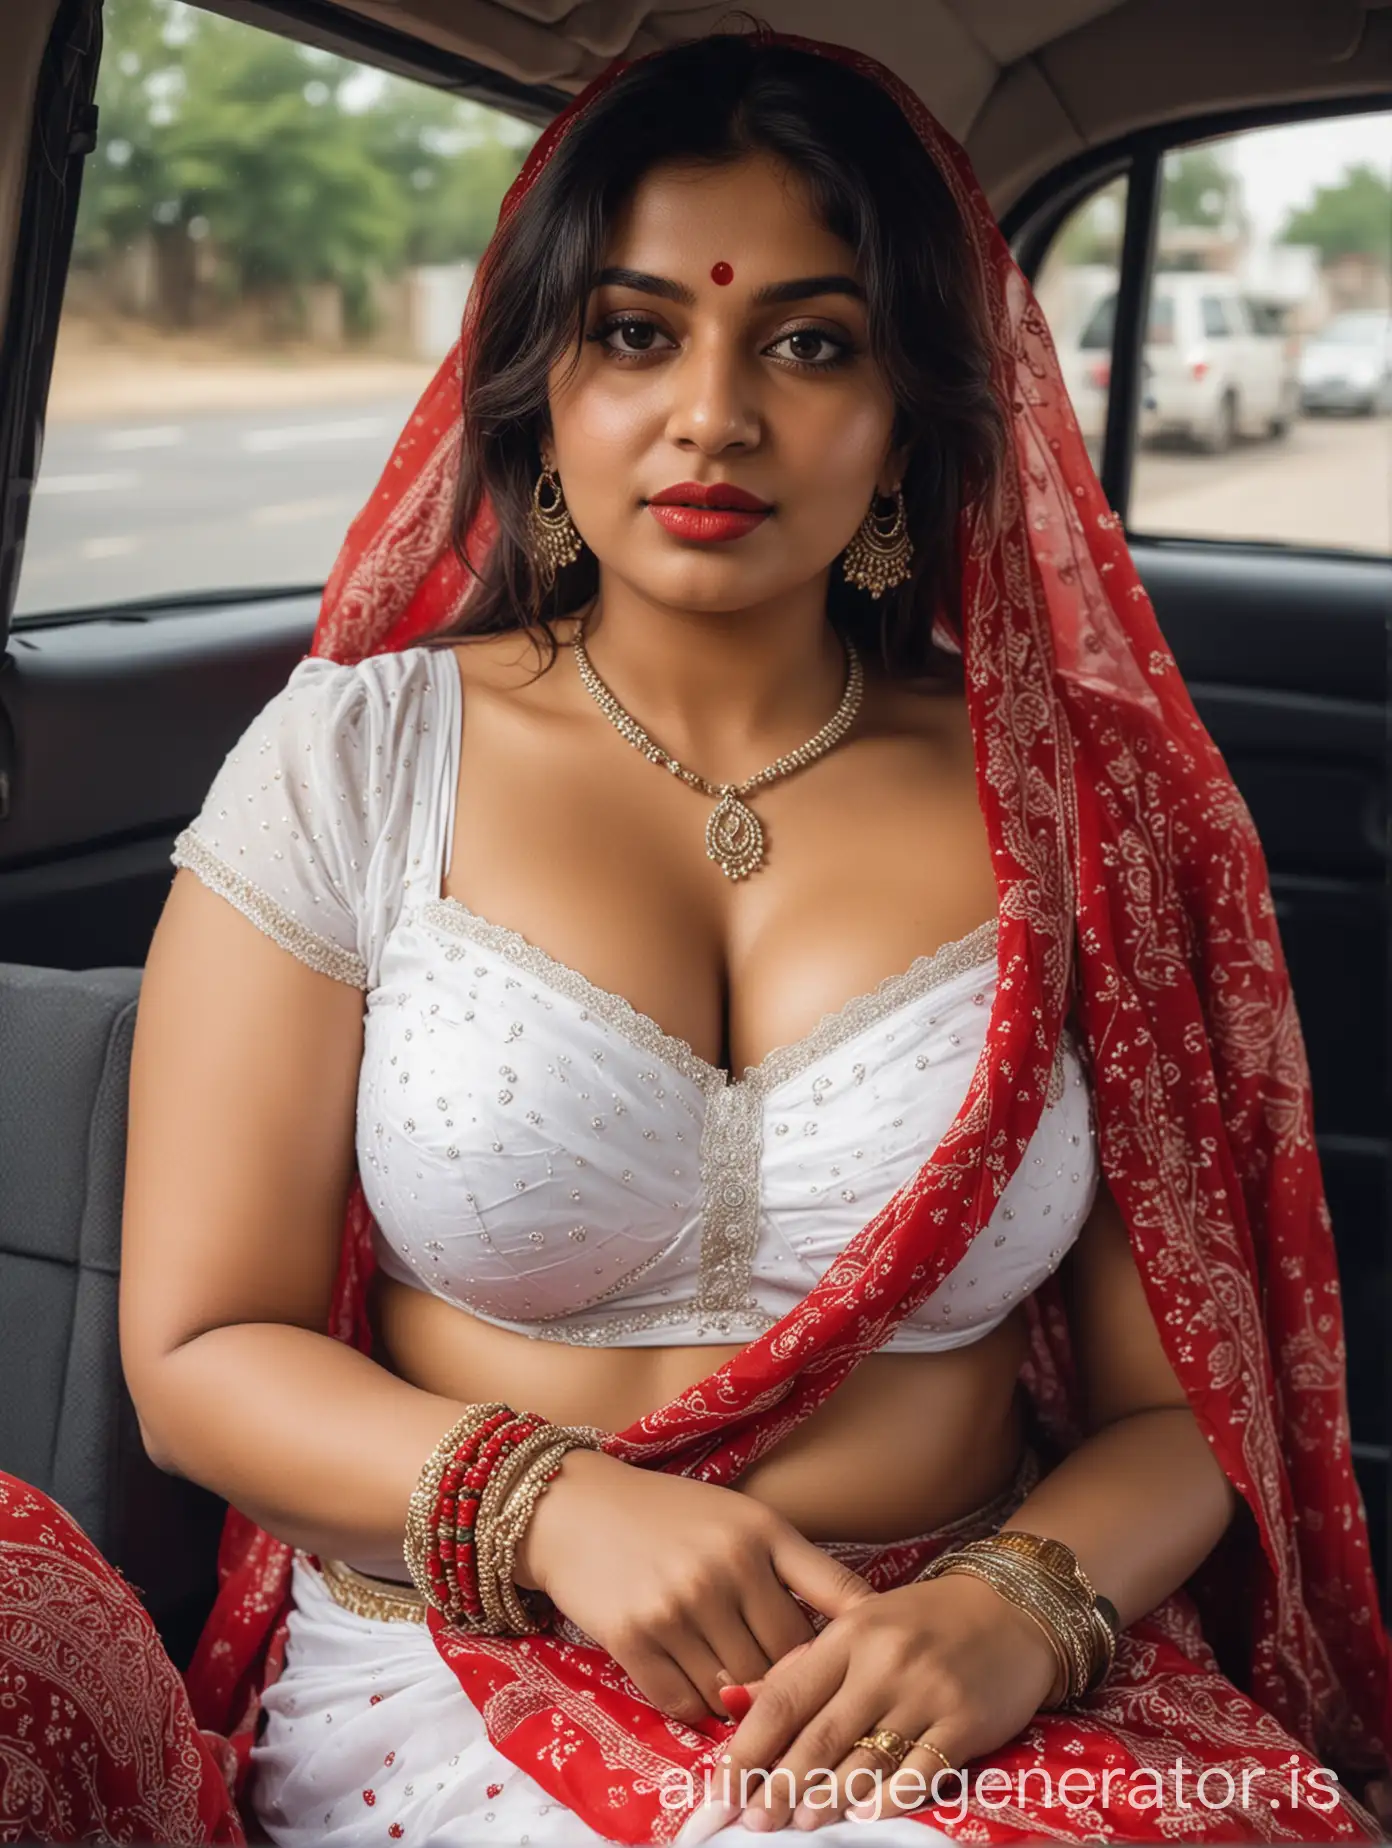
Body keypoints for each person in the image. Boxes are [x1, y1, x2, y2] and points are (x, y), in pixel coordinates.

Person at [1, 27, 1388, 1848]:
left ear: (910, 407)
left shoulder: (1076, 813)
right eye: (637, 332)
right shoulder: (357, 758)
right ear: (539, 384)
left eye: (811, 343)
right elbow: (199, 1353)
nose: (714, 413)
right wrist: (552, 1507)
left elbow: (1186, 1399)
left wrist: (1013, 1617)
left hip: (957, 1664)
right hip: (466, 1644)